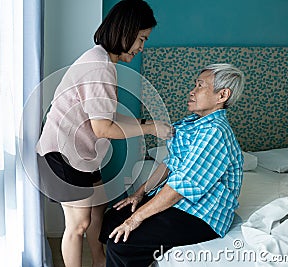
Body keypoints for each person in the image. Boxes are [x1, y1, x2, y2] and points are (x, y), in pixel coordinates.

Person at [36, 1, 173, 266]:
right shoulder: (100, 67)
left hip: (82, 155)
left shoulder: (101, 60)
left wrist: (145, 121)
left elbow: (104, 116)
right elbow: (103, 129)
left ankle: (99, 261)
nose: (141, 48)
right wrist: (151, 128)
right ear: (125, 32)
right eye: (141, 39)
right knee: (79, 224)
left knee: (99, 207)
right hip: (62, 155)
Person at [99, 63, 245, 267]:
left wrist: (135, 220)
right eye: (195, 84)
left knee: (123, 243)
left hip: (202, 215)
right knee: (111, 220)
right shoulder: (194, 123)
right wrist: (139, 193)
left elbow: (181, 186)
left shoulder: (215, 133)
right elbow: (172, 162)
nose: (192, 91)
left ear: (222, 95)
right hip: (182, 205)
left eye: (200, 86)